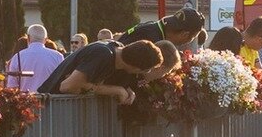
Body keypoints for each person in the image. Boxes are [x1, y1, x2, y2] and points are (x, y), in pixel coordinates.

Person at [36, 37, 167, 105]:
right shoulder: (103, 55)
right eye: (146, 70)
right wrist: (116, 90)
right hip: (49, 112)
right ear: (137, 68)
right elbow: (67, 86)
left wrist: (126, 89)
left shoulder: (115, 49)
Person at [4, 24, 64, 93]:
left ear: (28, 38)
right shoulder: (58, 56)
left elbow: (12, 87)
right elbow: (62, 82)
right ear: (46, 39)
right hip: (51, 99)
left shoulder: (17, 57)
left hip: (26, 98)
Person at [117, 7, 206, 50]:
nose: (190, 41)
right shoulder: (153, 42)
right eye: (193, 37)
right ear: (184, 34)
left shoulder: (152, 28)